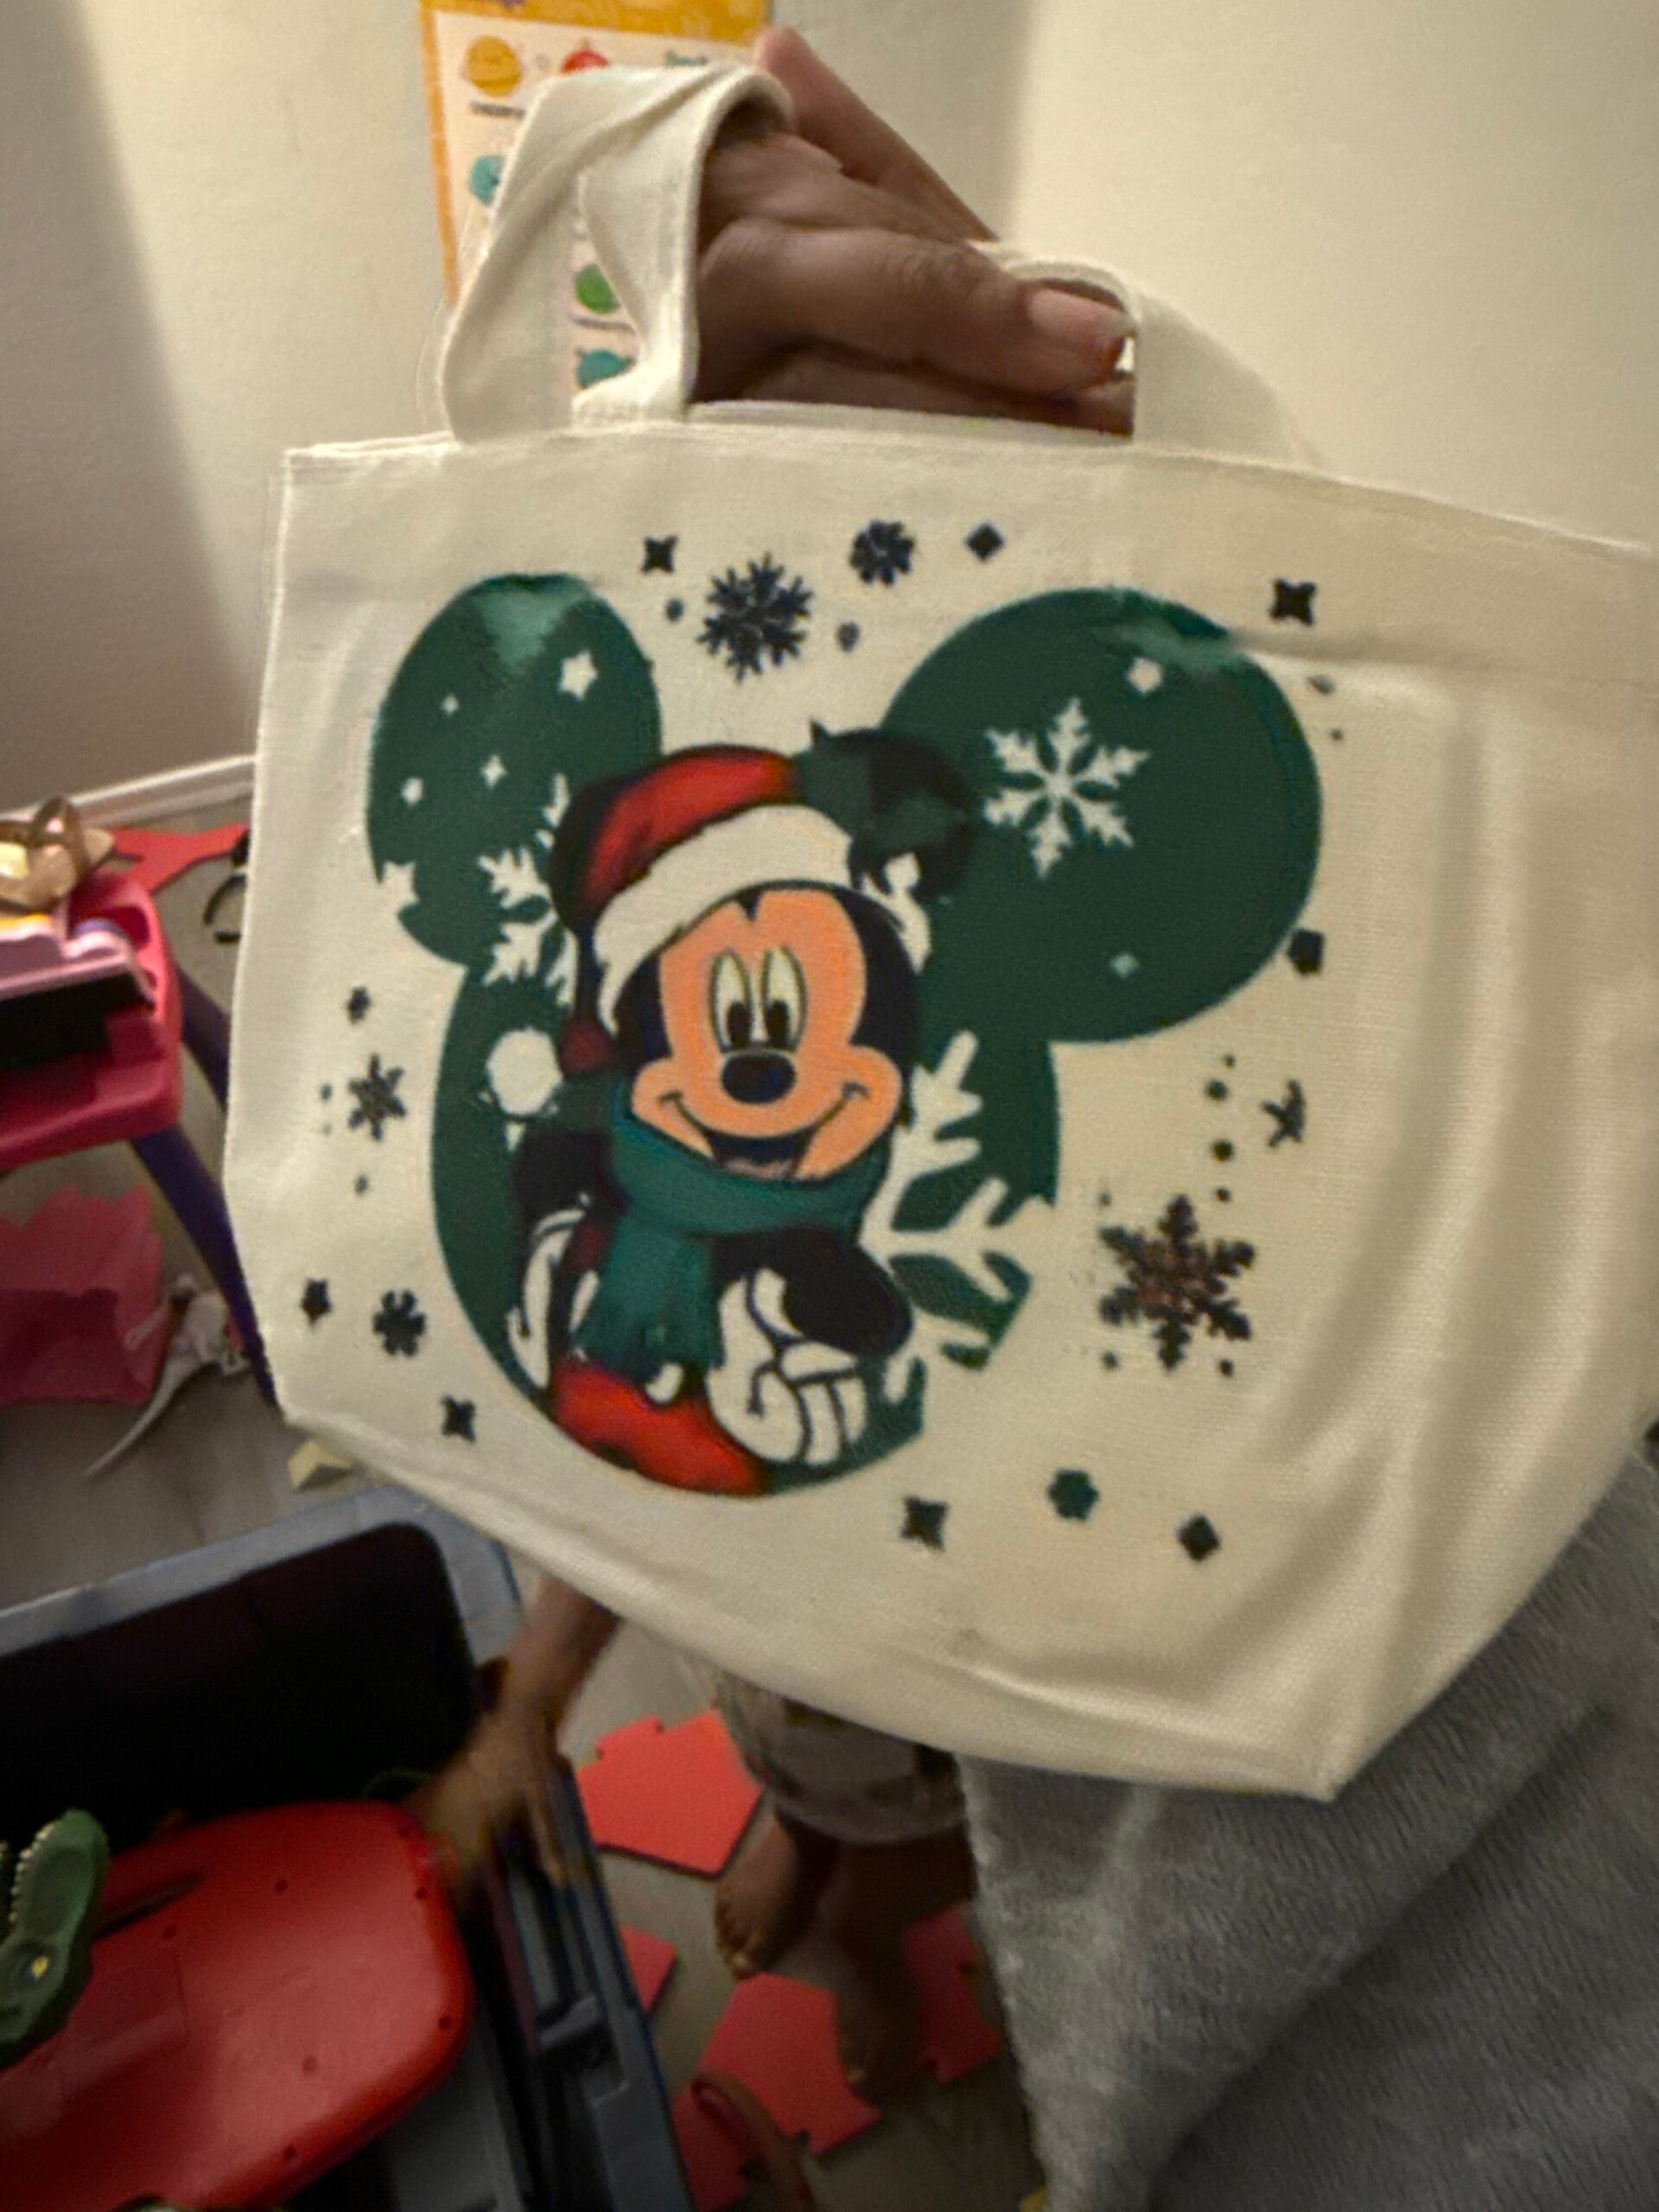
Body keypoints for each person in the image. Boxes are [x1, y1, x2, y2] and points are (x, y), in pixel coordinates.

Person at [416, 31, 1659, 2209]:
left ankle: (884, 1945)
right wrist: (528, 1697)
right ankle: (836, 1895)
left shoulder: (956, 1204)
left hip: (975, 1741)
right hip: (786, 1675)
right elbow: (598, 1456)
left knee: (924, 1873)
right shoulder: (629, 1226)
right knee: (815, 1822)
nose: (770, 1073)